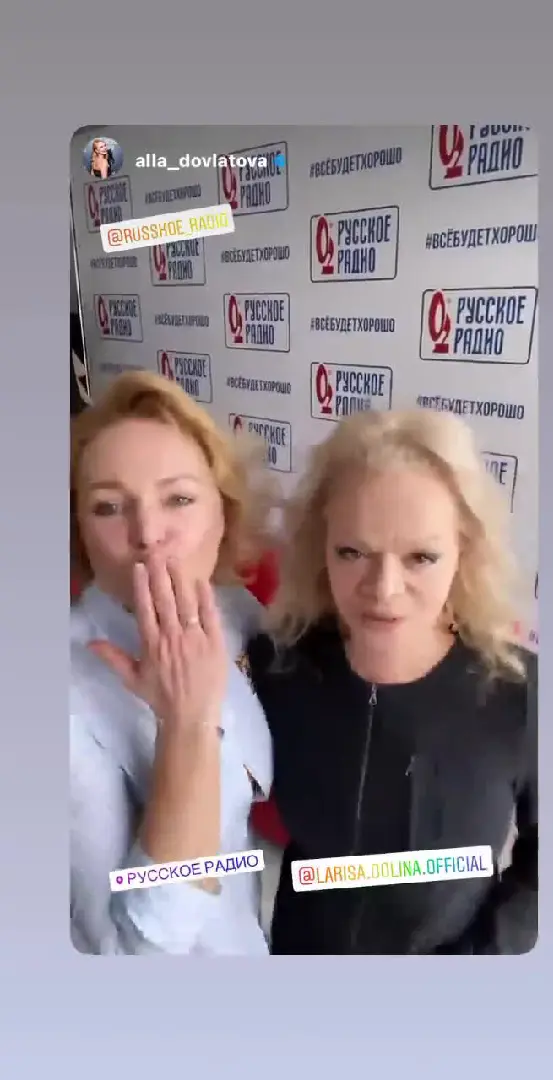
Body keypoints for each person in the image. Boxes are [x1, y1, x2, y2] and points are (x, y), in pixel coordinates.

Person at [247, 408, 538, 955]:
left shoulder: (521, 692)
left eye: (421, 557)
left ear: (465, 551)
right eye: (353, 552)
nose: (384, 590)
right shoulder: (277, 666)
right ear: (320, 546)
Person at [70, 370, 274, 954]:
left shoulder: (232, 611)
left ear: (223, 515)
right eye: (109, 507)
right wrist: (186, 727)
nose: (148, 533)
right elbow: (134, 956)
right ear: (79, 533)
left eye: (179, 499)